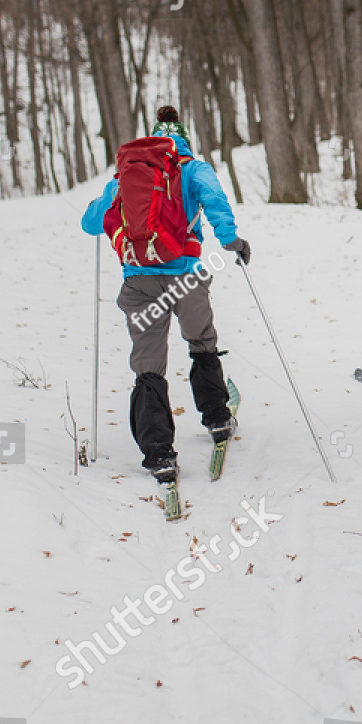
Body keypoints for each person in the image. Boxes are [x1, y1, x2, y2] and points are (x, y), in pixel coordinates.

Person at [80, 105, 251, 483]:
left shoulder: (128, 175)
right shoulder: (192, 167)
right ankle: (217, 418)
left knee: (148, 365)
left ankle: (158, 453)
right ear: (184, 139)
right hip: (186, 277)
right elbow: (215, 200)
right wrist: (231, 240)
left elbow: (90, 222)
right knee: (201, 341)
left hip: (138, 283)